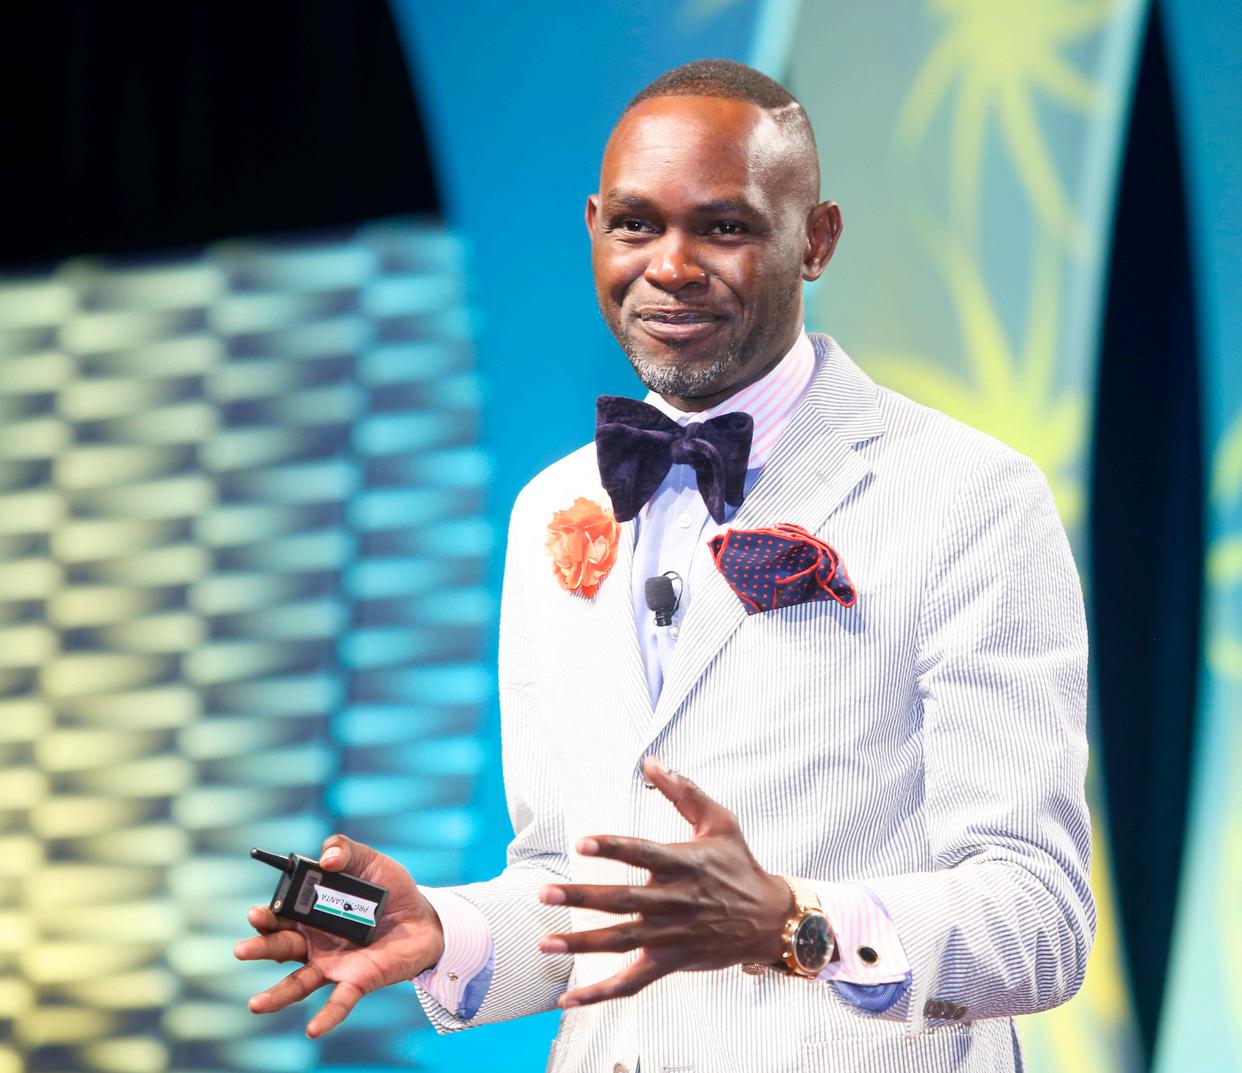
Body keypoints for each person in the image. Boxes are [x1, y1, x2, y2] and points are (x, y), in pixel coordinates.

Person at [234, 60, 1094, 1072]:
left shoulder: (968, 495)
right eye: (636, 224)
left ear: (816, 239)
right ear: (595, 226)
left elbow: (1040, 917)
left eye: (723, 227)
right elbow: (574, 882)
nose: (672, 266)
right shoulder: (553, 507)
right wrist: (441, 928)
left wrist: (794, 921)